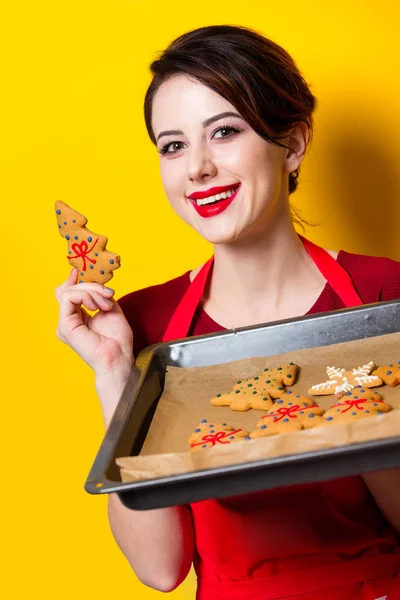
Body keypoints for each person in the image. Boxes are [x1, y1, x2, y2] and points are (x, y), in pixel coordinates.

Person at [55, 24, 400, 600]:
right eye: (173, 145)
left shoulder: (381, 293)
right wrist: (114, 373)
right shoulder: (148, 321)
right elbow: (161, 570)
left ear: (291, 142)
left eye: (224, 131)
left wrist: (347, 395)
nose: (197, 168)